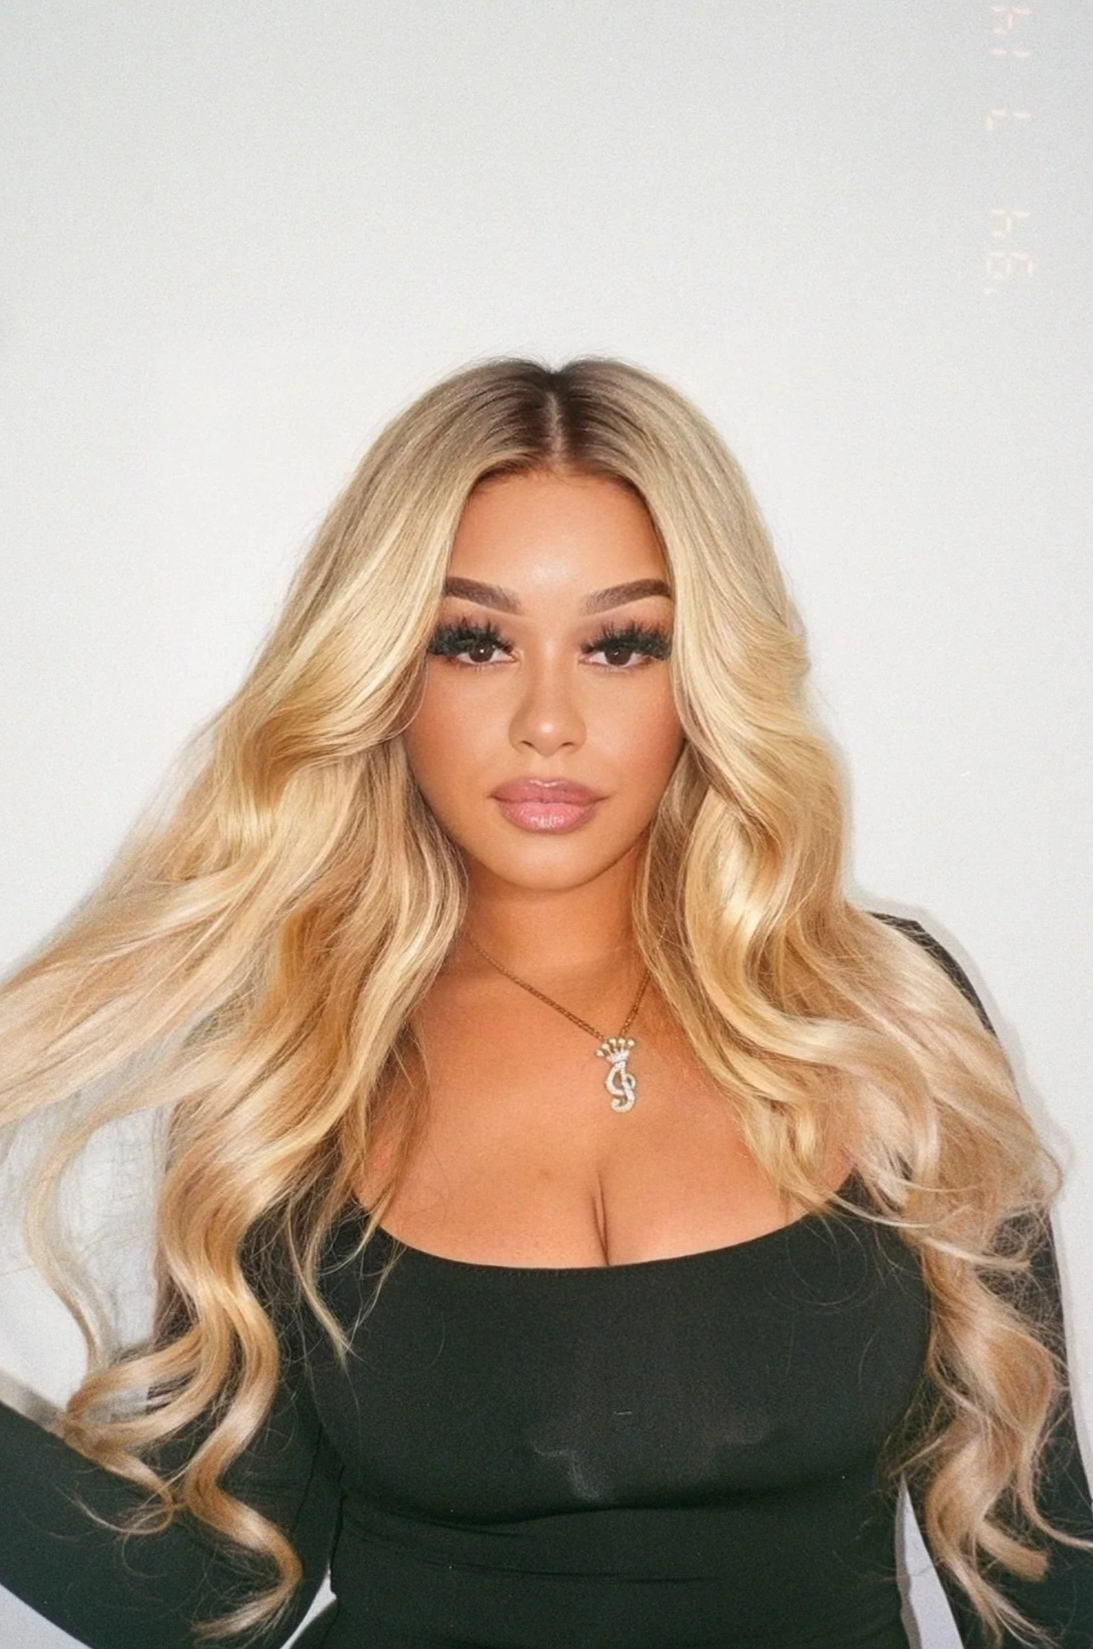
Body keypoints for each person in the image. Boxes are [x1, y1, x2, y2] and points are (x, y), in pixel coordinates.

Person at [0, 357, 1090, 1649]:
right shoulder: (299, 1062)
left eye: (621, 643)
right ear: (391, 673)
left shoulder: (886, 1018)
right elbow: (210, 1597)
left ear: (702, 675)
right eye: (475, 640)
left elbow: (1037, 1581)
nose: (548, 721)